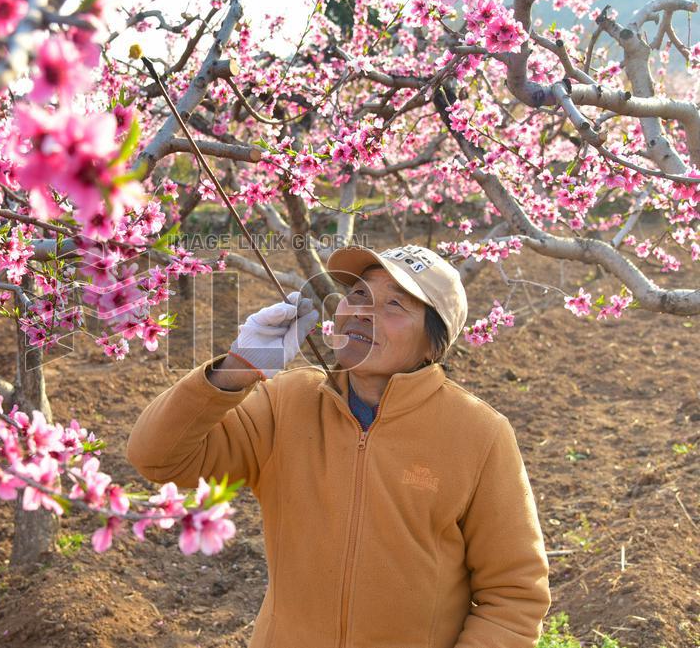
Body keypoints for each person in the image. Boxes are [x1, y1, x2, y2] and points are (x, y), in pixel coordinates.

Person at [126, 243, 551, 648]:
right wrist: (238, 368)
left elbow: (513, 597)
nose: (364, 312)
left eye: (395, 305)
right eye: (359, 294)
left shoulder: (478, 434)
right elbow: (158, 459)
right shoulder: (287, 402)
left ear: (432, 345)